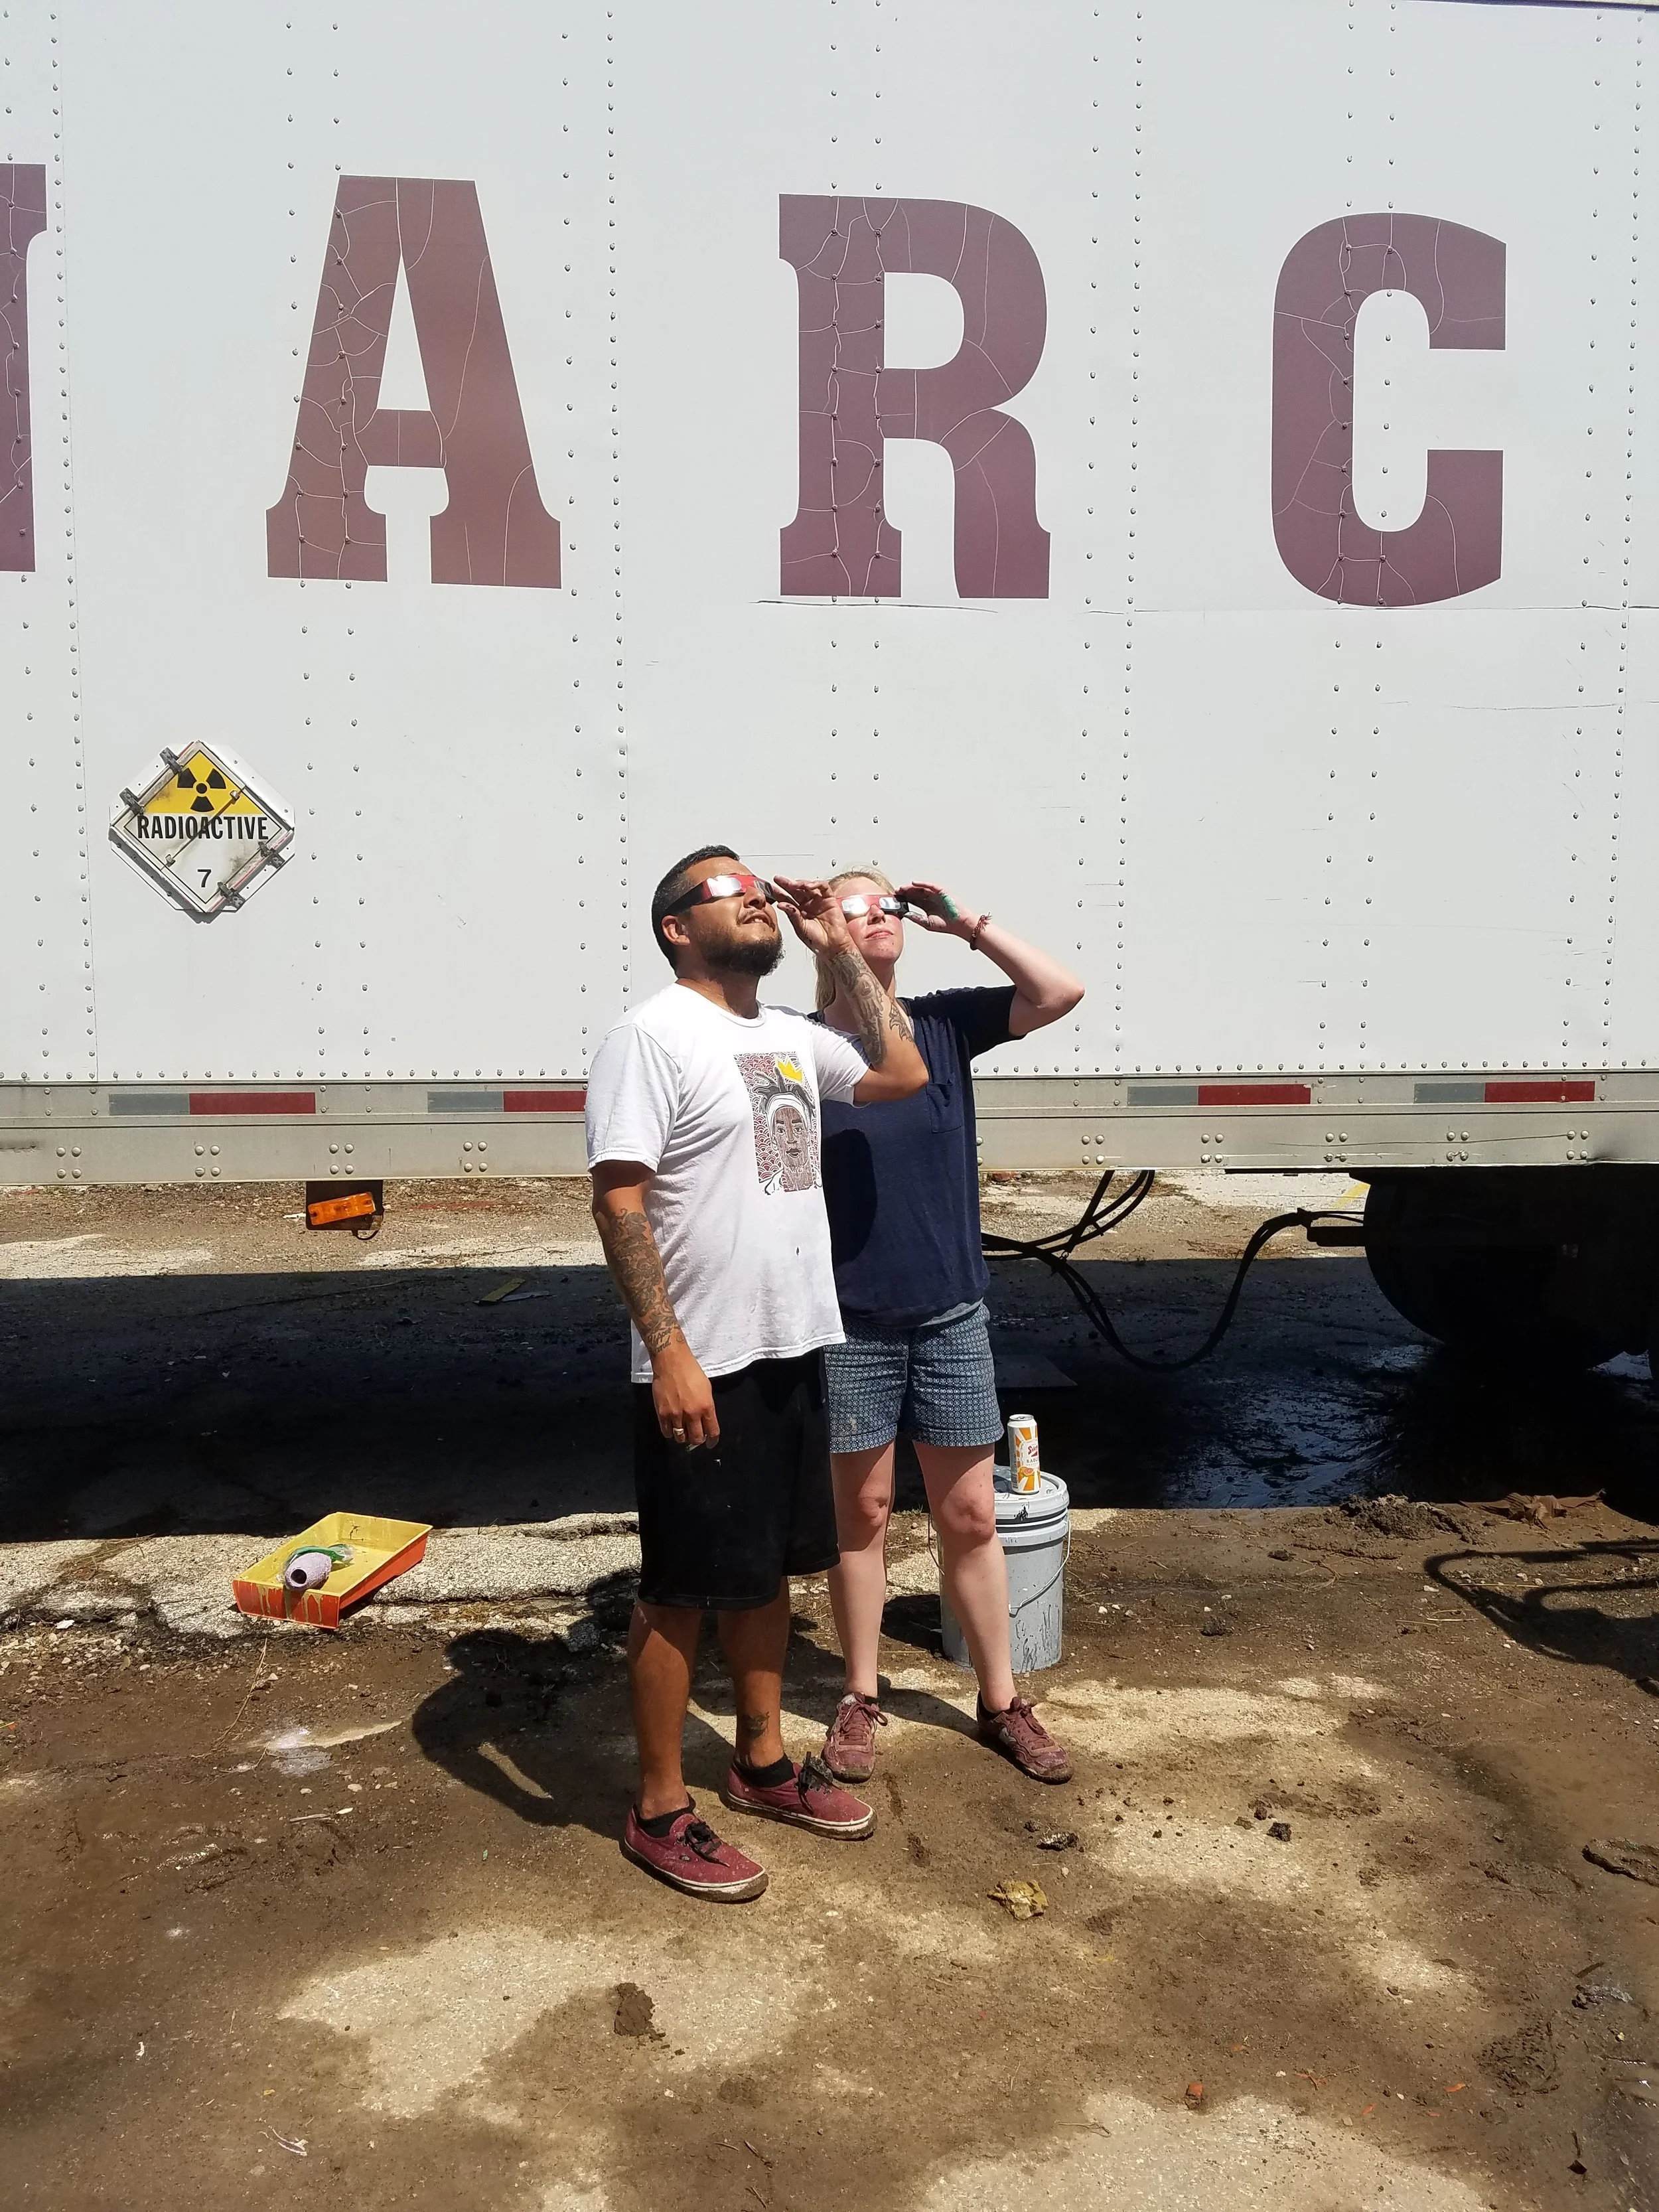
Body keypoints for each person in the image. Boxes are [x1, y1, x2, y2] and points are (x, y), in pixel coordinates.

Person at [585, 846, 929, 1901]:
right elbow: (618, 1198)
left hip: (793, 1345)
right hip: (705, 1359)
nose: (755, 899)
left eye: (756, 888)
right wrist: (669, 1352)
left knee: (771, 1572)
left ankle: (762, 1762)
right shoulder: (651, 1035)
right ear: (677, 927)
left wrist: (838, 949)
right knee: (681, 1591)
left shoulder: (786, 1033)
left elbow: (902, 1072)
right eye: (727, 890)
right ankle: (658, 1810)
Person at [811, 870, 1085, 1785]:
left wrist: (968, 923)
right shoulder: (802, 1044)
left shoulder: (943, 1023)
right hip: (848, 1322)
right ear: (822, 929)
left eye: (887, 906)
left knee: (969, 1514)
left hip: (950, 1315)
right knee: (863, 1515)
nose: (877, 917)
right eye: (855, 907)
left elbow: (1060, 992)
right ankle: (859, 1696)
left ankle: (1001, 1702)